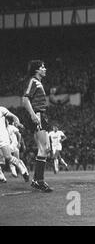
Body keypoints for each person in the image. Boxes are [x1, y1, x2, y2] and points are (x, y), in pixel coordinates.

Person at [22, 60, 52, 192]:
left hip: (42, 115)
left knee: (45, 149)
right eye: (42, 67)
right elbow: (25, 99)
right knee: (44, 149)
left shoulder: (39, 82)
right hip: (38, 115)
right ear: (36, 70)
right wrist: (33, 115)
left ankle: (36, 180)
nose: (45, 69)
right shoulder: (33, 81)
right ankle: (39, 181)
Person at [0, 107, 29, 184]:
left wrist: (17, 122)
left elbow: (14, 116)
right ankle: (1, 176)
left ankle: (21, 167)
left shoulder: (1, 109)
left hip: (2, 136)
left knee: (8, 157)